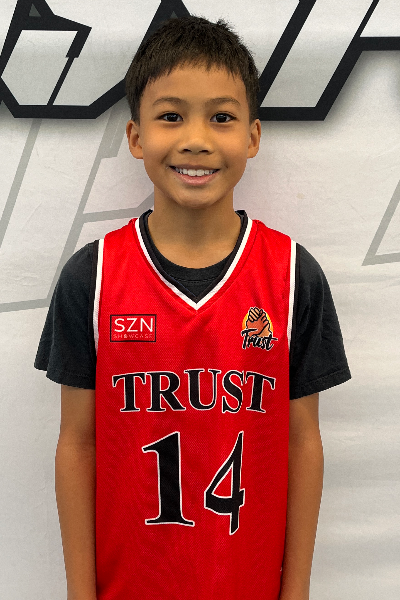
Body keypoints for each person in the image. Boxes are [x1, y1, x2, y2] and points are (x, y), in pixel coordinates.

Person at [35, 15, 351, 600]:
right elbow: (77, 443)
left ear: (252, 137)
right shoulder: (92, 277)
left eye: (222, 117)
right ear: (136, 137)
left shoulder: (291, 276)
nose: (197, 139)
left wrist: (297, 589)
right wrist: (80, 592)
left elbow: (301, 441)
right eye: (171, 116)